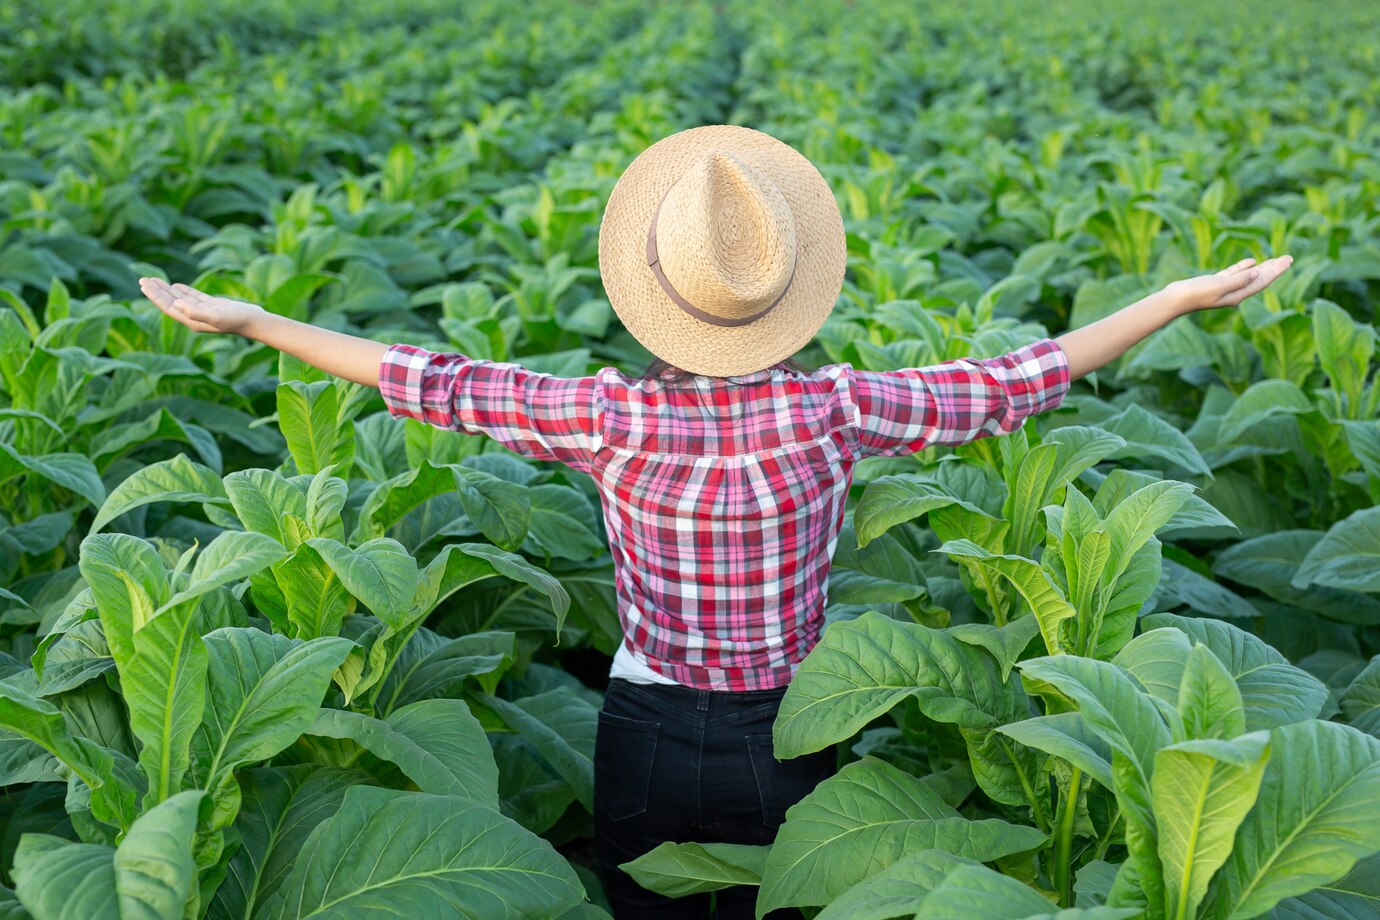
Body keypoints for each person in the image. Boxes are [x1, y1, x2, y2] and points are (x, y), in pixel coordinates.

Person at [139, 124, 1292, 919]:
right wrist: (1174, 295)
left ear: (657, 294)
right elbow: (1012, 380)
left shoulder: (607, 416)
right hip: (793, 731)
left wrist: (255, 323)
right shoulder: (836, 407)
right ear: (785, 302)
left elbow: (429, 376)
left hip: (642, 727)